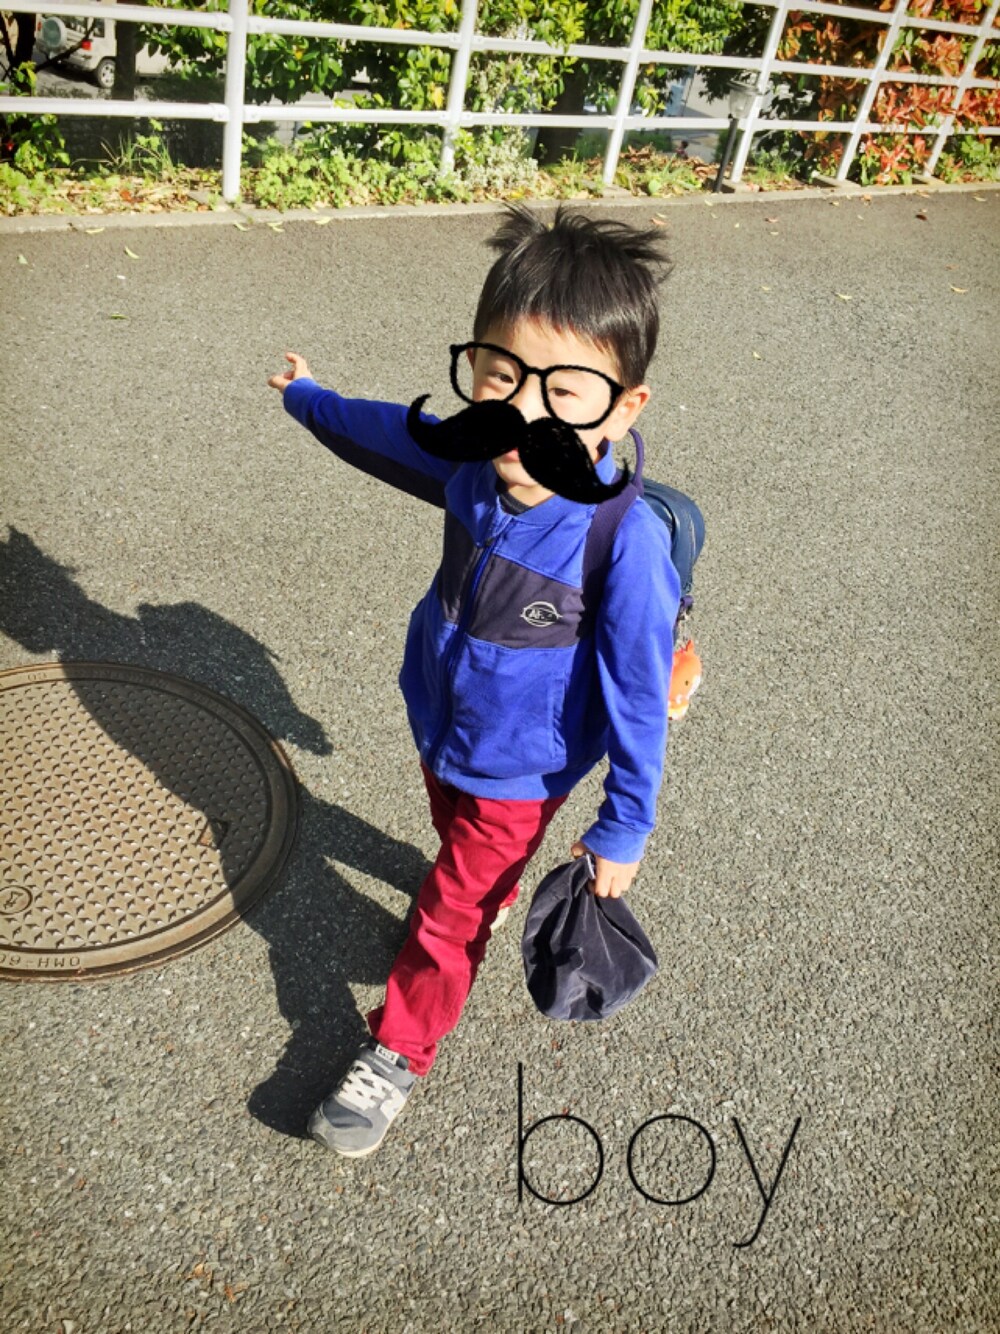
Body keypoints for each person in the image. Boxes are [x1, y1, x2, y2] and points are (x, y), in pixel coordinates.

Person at [267, 204, 681, 1157]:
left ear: (625, 407)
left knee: (450, 915)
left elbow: (636, 695)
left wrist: (625, 823)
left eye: (564, 391)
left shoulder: (624, 545)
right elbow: (385, 432)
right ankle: (470, 892)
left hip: (523, 770)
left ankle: (399, 1050)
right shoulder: (475, 461)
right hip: (441, 721)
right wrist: (307, 397)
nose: (522, 414)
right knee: (453, 848)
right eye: (501, 376)